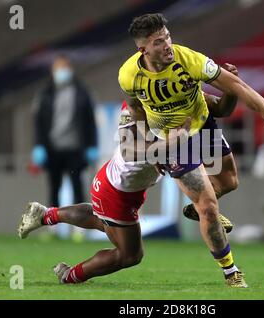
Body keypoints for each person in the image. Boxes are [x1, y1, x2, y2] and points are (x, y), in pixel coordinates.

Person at [119, 13, 264, 287]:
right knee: (209, 206)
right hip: (174, 140)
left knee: (230, 181)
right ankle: (231, 271)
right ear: (143, 49)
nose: (168, 45)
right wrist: (153, 146)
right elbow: (136, 108)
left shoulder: (190, 60)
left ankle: (198, 208)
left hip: (202, 124)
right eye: (159, 42)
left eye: (168, 37)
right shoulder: (128, 75)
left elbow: (236, 85)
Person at [18, 87, 238, 286]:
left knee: (102, 221)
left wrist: (232, 88)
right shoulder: (135, 110)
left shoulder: (177, 98)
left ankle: (46, 215)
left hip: (125, 187)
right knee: (130, 254)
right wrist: (174, 142)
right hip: (115, 190)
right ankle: (70, 275)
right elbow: (129, 150)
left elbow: (220, 107)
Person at [31, 55, 99, 211]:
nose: (61, 72)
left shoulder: (82, 93)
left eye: (64, 68)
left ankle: (80, 228)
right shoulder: (45, 94)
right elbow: (39, 123)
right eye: (58, 68)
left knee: (78, 187)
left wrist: (92, 145)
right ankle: (52, 225)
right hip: (53, 149)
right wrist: (38, 145)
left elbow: (90, 122)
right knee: (54, 188)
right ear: (52, 71)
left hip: (76, 148)